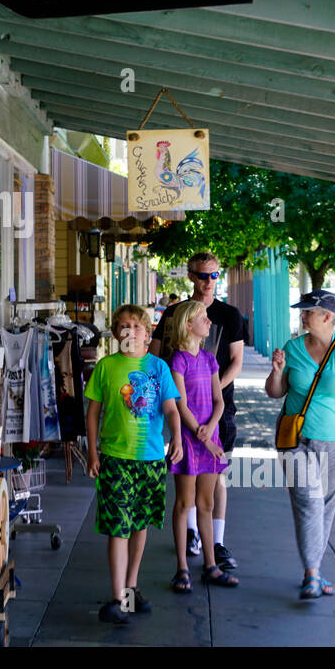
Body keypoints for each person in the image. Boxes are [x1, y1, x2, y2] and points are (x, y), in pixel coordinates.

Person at [265, 290, 335, 600]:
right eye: (302, 311)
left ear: (328, 316)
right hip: (295, 439)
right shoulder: (293, 348)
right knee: (309, 502)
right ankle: (312, 573)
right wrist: (276, 372)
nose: (303, 315)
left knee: (325, 507)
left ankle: (314, 570)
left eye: (309, 311)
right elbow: (275, 392)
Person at [85, 304, 184, 624]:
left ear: (147, 332)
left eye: (137, 326)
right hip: (115, 458)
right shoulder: (106, 367)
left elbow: (170, 409)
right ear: (115, 334)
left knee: (140, 525)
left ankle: (130, 589)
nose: (131, 332)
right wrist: (92, 453)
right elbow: (93, 413)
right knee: (118, 528)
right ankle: (116, 599)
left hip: (151, 459)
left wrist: (178, 438)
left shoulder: (158, 368)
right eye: (124, 327)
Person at [150, 252, 246, 571]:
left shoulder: (230, 315)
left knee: (217, 479)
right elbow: (156, 356)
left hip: (217, 408)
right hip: (184, 409)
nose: (209, 282)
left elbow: (235, 361)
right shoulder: (175, 314)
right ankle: (189, 540)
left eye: (215, 275)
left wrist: (212, 382)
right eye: (203, 276)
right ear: (191, 276)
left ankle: (215, 543)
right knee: (186, 481)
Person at [166, 301, 237, 592]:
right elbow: (180, 403)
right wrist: (201, 435)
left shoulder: (209, 359)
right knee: (185, 503)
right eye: (202, 318)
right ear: (188, 325)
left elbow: (219, 400)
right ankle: (182, 566)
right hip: (189, 439)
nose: (209, 322)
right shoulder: (178, 360)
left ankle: (210, 564)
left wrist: (212, 430)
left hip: (210, 438)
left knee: (206, 503)